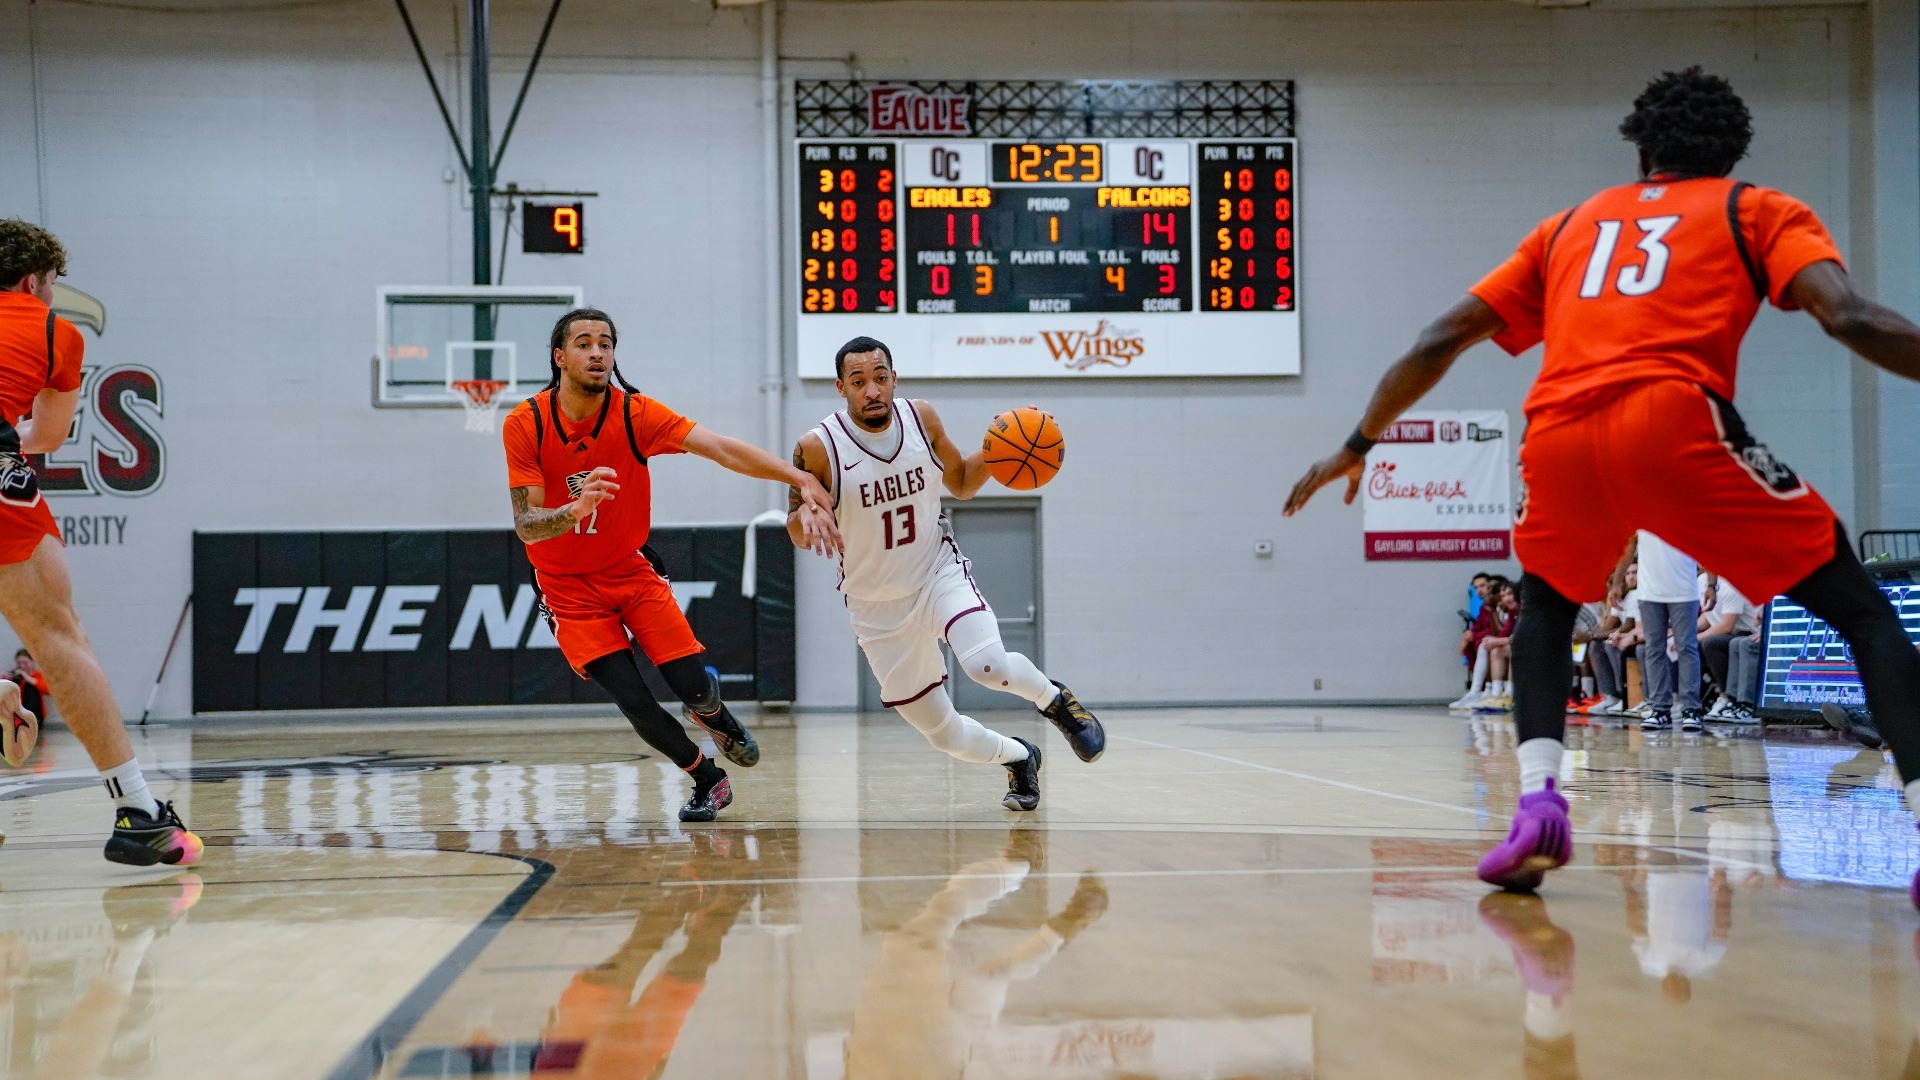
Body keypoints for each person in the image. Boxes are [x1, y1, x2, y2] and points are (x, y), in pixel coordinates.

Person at [1283, 68, 1920, 900]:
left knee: (1546, 605)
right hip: (1676, 421)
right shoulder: (1756, 209)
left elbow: (1441, 337)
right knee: (1863, 610)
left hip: (1559, 434)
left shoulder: (1567, 228)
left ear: (1641, 148)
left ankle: (1539, 804)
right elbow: (1852, 317)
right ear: (1731, 155)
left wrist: (1358, 441)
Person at [502, 307, 842, 823]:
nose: (597, 352)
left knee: (692, 684)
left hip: (628, 568)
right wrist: (575, 509)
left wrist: (799, 478)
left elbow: (721, 449)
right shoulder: (525, 422)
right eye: (584, 343)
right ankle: (708, 779)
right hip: (565, 586)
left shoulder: (634, 414)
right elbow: (526, 524)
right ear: (559, 356)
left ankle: (712, 713)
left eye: (606, 343)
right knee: (635, 701)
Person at [789, 337, 1106, 812]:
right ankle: (1021, 756)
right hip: (876, 607)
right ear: (841, 388)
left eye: (880, 378)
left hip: (937, 573)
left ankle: (1057, 703)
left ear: (893, 378)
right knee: (944, 735)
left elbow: (959, 482)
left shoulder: (922, 419)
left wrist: (1002, 448)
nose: (872, 390)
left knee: (986, 665)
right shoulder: (817, 447)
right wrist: (806, 515)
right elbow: (796, 529)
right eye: (859, 382)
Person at [0, 219, 200, 866]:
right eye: (53, 283)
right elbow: (47, 437)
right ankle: (138, 811)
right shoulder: (55, 331)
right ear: (32, 281)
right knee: (58, 638)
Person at [1614, 533, 1704, 732]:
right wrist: (1617, 582)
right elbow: (1629, 547)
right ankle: (1660, 709)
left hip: (1684, 590)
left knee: (1686, 648)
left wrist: (1712, 584)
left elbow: (1706, 542)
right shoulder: (1640, 516)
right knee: (1653, 648)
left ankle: (1691, 709)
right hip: (1650, 591)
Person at [3, 648, 47, 723]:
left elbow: (48, 690)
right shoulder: (14, 675)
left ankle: (28, 721)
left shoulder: (38, 675)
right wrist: (5, 680)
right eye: (19, 663)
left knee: (30, 687)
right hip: (14, 716)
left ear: (32, 662)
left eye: (25, 663)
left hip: (34, 716)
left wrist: (27, 677)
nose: (22, 666)